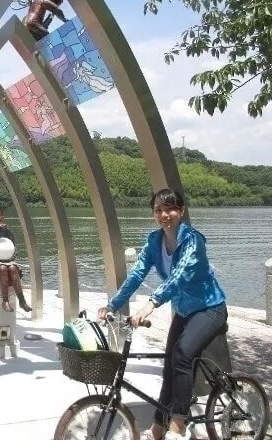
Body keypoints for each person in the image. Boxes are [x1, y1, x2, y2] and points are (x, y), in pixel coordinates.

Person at [97, 188, 227, 440]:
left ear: (181, 211)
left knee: (182, 355)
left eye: (170, 209)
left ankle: (179, 423)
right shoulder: (154, 241)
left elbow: (178, 277)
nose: (164, 214)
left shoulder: (193, 240)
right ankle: (158, 427)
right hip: (184, 312)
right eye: (159, 210)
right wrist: (112, 305)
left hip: (210, 309)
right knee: (169, 367)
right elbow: (136, 275)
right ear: (153, 214)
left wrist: (150, 305)